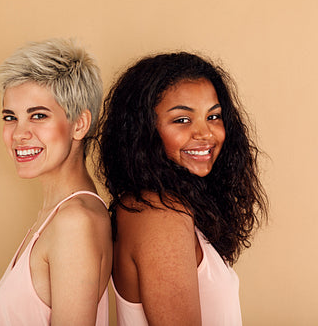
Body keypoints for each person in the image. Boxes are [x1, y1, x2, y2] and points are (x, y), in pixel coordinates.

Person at [98, 52, 268, 325]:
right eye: (182, 120)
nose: (205, 133)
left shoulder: (153, 205)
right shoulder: (160, 214)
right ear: (143, 131)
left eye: (213, 116)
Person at [0, 39, 112, 326]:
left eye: (38, 115)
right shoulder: (58, 215)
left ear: (80, 125)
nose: (19, 134)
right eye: (11, 117)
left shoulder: (74, 222)